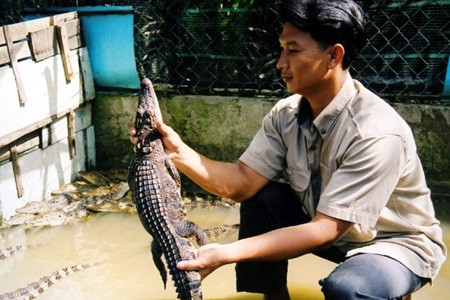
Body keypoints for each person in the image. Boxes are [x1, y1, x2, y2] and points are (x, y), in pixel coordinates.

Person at [130, 0, 446, 299]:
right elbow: (241, 183)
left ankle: (392, 288)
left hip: (391, 243)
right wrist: (174, 151)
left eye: (292, 51)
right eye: (281, 49)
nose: (281, 63)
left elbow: (325, 229)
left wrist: (227, 252)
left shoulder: (375, 131)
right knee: (261, 199)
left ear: (334, 56)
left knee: (349, 288)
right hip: (327, 225)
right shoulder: (287, 114)